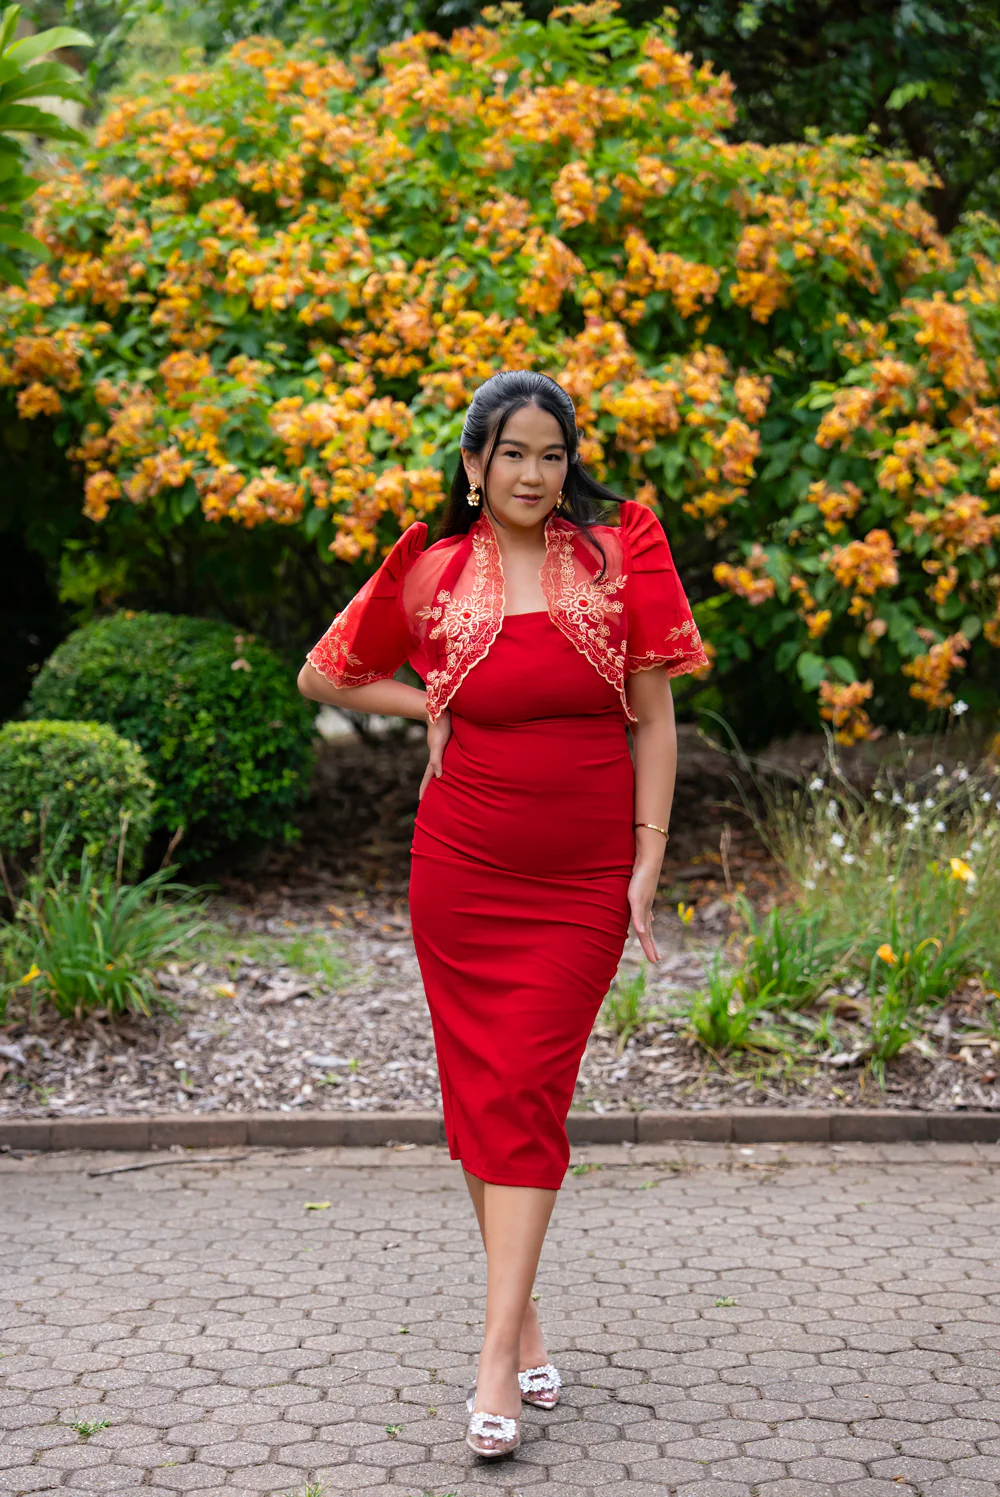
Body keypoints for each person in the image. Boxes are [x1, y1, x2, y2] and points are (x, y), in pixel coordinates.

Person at [297, 369, 708, 1460]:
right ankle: (511, 1329)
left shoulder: (619, 553)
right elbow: (324, 676)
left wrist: (644, 866)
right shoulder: (429, 569)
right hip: (462, 874)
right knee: (487, 1092)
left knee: (527, 1085)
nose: (533, 473)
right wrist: (428, 696)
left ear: (568, 462)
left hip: (581, 881)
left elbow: (654, 721)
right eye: (511, 453)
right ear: (473, 464)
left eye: (551, 453)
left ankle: (489, 1357)